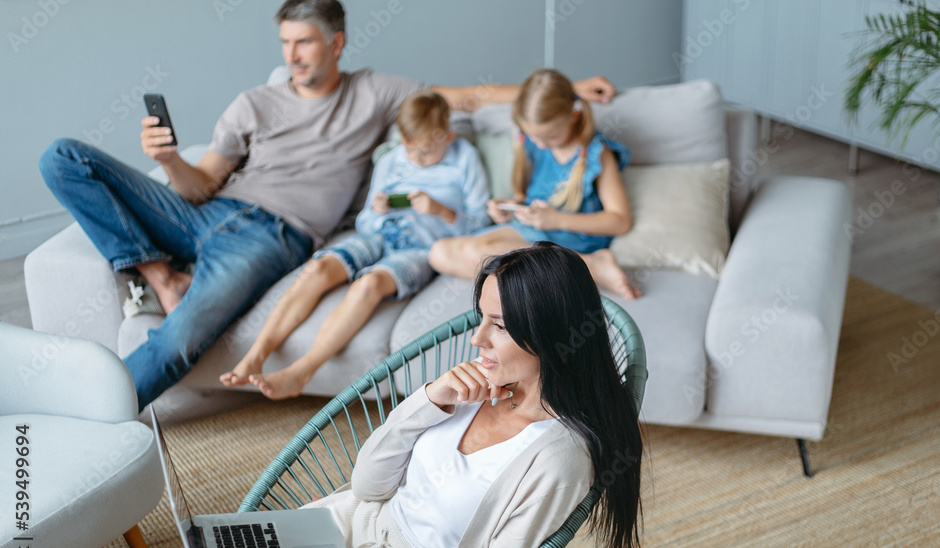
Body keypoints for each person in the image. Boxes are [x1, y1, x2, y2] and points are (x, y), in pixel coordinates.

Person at [28, 243, 644, 548]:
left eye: (499, 326)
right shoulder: (470, 388)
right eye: (478, 318)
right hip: (330, 529)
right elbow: (369, 485)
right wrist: (427, 402)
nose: (476, 338)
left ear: (550, 334)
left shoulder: (557, 457)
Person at [38, 0, 618, 412]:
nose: (292, 55)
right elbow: (201, 185)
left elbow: (467, 96)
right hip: (204, 213)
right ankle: (160, 273)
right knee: (62, 157)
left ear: (336, 43)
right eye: (285, 43)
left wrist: (567, 89)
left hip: (271, 237)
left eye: (304, 42)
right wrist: (168, 160)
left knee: (177, 341)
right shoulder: (253, 102)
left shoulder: (375, 93)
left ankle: (93, 419)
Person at [218, 90, 489, 399]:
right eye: (410, 149)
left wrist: (441, 211)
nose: (416, 159)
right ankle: (255, 356)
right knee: (318, 269)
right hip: (378, 235)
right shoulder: (390, 160)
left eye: (426, 152)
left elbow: (480, 224)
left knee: (368, 285)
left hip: (421, 248)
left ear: (448, 137)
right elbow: (365, 222)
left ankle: (300, 372)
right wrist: (377, 210)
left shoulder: (465, 159)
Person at [429, 68, 640, 300]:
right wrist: (512, 208)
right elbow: (531, 196)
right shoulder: (533, 143)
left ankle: (588, 263)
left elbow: (620, 221)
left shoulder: (596, 154)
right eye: (534, 136)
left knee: (477, 253)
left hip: (569, 237)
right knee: (439, 253)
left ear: (573, 116)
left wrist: (556, 219)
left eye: (550, 137)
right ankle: (567, 276)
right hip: (533, 230)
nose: (540, 144)